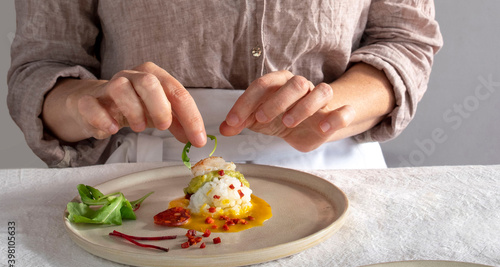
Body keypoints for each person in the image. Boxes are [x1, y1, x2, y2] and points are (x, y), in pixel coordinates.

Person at [7, 1, 443, 169]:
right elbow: (43, 65)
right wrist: (88, 102)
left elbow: (405, 40)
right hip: (141, 174)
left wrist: (333, 107)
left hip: (333, 162)